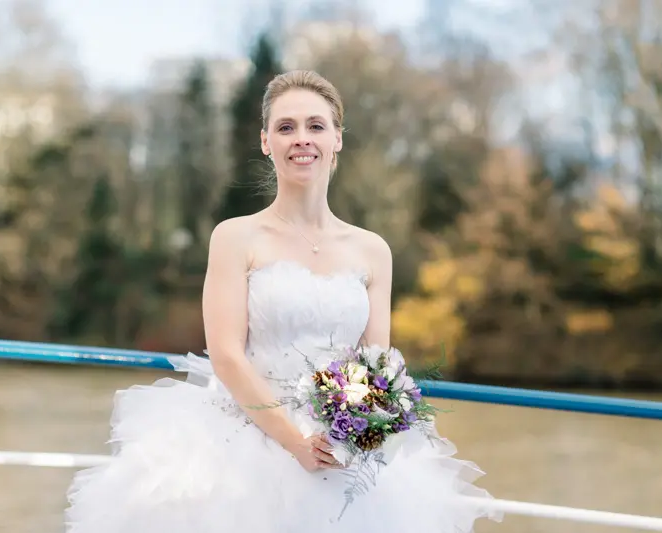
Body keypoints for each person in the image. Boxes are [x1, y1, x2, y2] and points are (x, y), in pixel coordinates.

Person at [64, 70, 502, 533]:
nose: (301, 139)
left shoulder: (373, 250)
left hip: (338, 449)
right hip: (246, 442)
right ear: (265, 142)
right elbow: (228, 355)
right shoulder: (235, 237)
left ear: (337, 140)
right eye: (286, 127)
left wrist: (364, 431)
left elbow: (375, 363)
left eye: (316, 126)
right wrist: (295, 442)